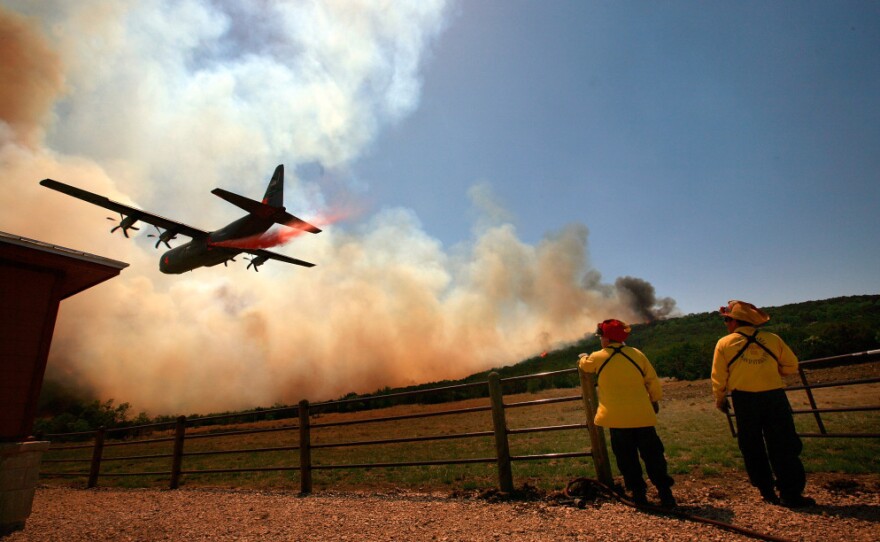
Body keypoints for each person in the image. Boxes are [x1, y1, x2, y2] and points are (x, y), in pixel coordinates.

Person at [712, 300, 815, 508]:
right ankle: (791, 493)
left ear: (735, 321)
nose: (726, 324)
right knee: (784, 445)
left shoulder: (724, 343)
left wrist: (720, 399)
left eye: (727, 320)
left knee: (751, 446)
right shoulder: (772, 339)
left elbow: (718, 377)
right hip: (774, 398)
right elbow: (791, 365)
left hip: (745, 401)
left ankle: (766, 490)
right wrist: (772, 371)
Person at [578, 319, 676, 507]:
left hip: (617, 420)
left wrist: (582, 356)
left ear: (606, 338)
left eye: (601, 337)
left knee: (626, 459)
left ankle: (639, 495)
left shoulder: (598, 357)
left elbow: (585, 365)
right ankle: (665, 493)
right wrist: (654, 400)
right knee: (654, 456)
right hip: (643, 416)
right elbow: (652, 380)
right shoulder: (637, 354)